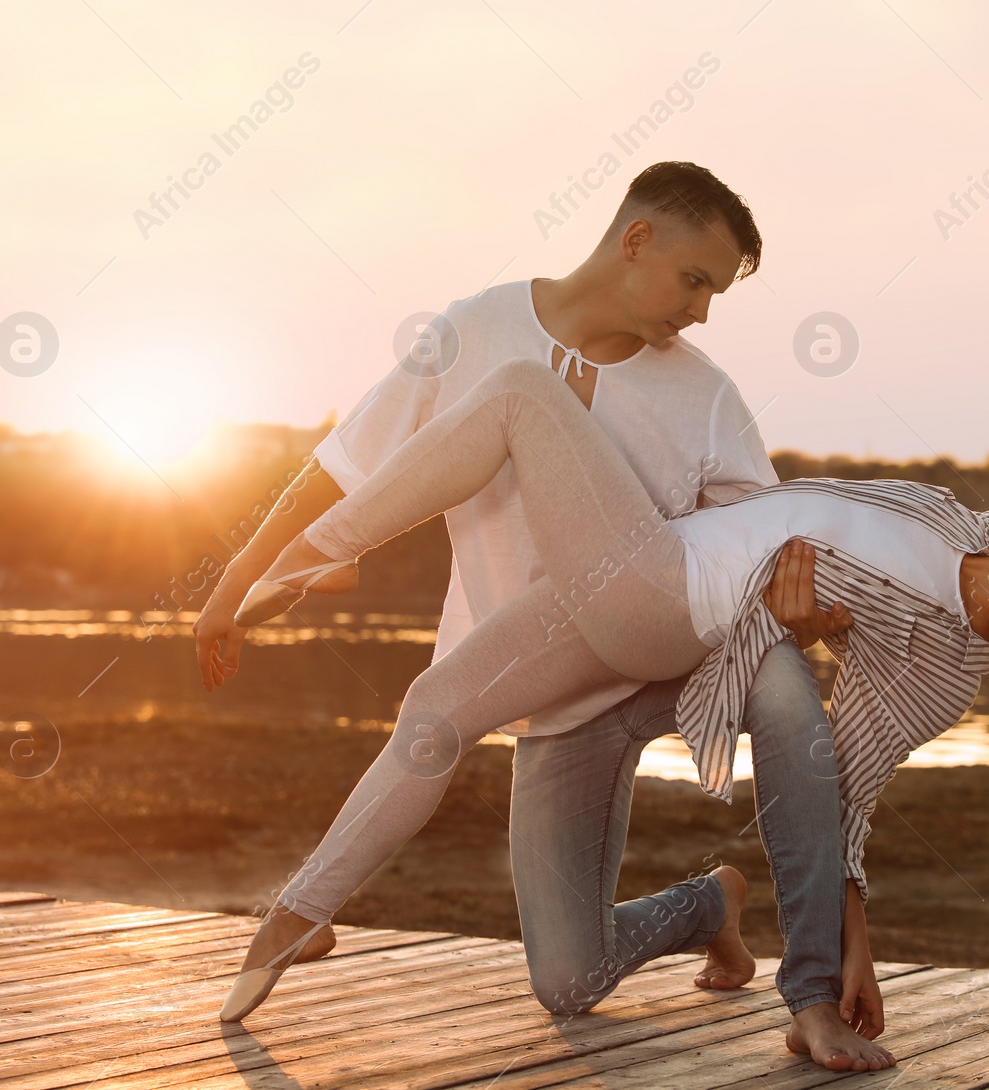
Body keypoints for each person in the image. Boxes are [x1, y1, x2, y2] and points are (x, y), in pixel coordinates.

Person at [210, 355, 989, 1063]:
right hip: (607, 599)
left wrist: (851, 959)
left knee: (529, 403)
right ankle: (307, 915)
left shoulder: (939, 668)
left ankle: (799, 1000)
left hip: (673, 601)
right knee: (448, 739)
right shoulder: (988, 525)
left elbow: (841, 796)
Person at [196, 162, 894, 1071]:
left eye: (717, 293)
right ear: (635, 239)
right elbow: (343, 466)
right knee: (566, 978)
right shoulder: (476, 331)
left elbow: (759, 555)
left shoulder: (707, 397)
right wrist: (236, 584)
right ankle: (710, 905)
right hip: (556, 690)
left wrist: (802, 623)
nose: (702, 311)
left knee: (792, 698)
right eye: (695, 280)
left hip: (679, 657)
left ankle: (809, 996)